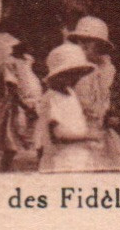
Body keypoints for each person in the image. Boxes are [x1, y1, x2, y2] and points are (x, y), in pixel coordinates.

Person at [66, 16, 120, 170]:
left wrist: (113, 113)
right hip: (79, 128)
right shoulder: (74, 70)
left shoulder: (108, 71)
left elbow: (113, 99)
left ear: (100, 45)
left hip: (102, 130)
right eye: (79, 41)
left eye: (88, 41)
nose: (83, 46)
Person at [36, 42, 97, 173]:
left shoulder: (71, 93)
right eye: (71, 74)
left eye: (78, 74)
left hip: (77, 156)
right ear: (58, 75)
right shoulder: (51, 98)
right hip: (60, 159)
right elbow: (58, 135)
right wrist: (87, 136)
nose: (76, 78)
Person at [0, 34, 42, 171]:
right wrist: (24, 105)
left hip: (35, 103)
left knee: (39, 140)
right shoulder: (9, 63)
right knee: (12, 143)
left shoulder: (28, 61)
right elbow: (12, 88)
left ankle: (41, 170)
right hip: (18, 105)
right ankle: (5, 173)